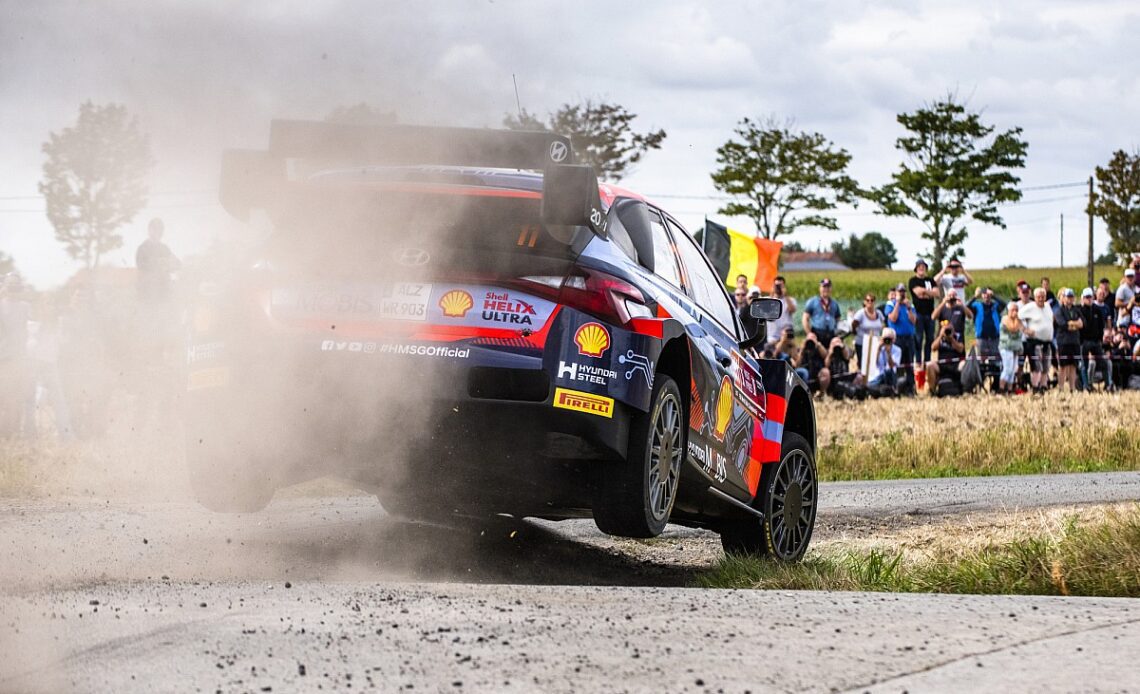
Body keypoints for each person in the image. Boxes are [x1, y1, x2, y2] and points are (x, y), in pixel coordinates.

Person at [0, 274, 32, 437]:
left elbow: (29, 329)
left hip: (20, 358)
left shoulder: (25, 306)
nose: (13, 290)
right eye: (10, 286)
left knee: (16, 398)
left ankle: (12, 433)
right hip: (3, 358)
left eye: (16, 286)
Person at [135, 217, 181, 303]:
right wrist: (159, 263)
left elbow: (177, 264)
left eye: (160, 229)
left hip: (164, 291)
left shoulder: (165, 249)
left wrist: (169, 265)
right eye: (155, 229)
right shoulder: (143, 248)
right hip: (147, 292)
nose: (157, 232)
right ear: (149, 230)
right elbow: (141, 266)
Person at [1019, 287, 1055, 393]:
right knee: (1036, 366)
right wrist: (1025, 329)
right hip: (1035, 342)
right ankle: (1035, 386)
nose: (1041, 298)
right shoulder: (1030, 307)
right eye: (1039, 297)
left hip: (1047, 342)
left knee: (1046, 366)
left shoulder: (1048, 306)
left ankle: (1043, 386)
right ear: (1035, 297)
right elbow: (1017, 317)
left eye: (1043, 296)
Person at [883, 283, 917, 393]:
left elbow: (914, 321)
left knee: (910, 364)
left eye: (903, 292)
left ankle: (910, 388)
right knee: (898, 364)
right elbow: (893, 318)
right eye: (900, 292)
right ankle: (897, 387)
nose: (902, 294)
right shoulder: (891, 304)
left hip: (909, 338)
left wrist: (908, 309)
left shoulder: (910, 306)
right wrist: (897, 303)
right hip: (897, 338)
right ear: (896, 293)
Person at [1078, 287, 1111, 391]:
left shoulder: (1097, 309)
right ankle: (1086, 385)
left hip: (1096, 342)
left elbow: (1101, 325)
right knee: (1085, 365)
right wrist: (1081, 341)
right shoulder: (1079, 310)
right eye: (1087, 297)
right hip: (1084, 342)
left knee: (1103, 363)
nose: (1089, 299)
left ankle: (1108, 384)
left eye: (1090, 297)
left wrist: (1100, 339)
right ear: (1083, 298)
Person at [908, 259, 939, 365]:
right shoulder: (913, 281)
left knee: (930, 338)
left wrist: (925, 292)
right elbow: (918, 293)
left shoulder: (930, 280)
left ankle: (927, 360)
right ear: (916, 269)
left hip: (930, 313)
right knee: (918, 338)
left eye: (923, 266)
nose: (922, 268)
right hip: (918, 313)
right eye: (919, 266)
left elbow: (937, 293)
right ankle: (918, 361)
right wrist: (929, 293)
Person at [966, 287, 1003, 374]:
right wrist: (975, 296)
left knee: (995, 363)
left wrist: (994, 296)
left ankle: (995, 383)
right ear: (982, 296)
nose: (986, 296)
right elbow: (967, 306)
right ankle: (981, 379)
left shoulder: (996, 306)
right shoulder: (977, 305)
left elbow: (1004, 304)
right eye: (984, 294)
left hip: (995, 339)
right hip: (981, 338)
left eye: (988, 294)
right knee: (981, 362)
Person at [926, 319, 966, 396]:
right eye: (946, 328)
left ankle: (963, 389)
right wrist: (940, 336)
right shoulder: (940, 338)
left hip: (955, 364)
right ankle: (932, 391)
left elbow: (961, 349)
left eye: (949, 328)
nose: (947, 330)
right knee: (929, 365)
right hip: (942, 364)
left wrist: (952, 339)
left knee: (964, 365)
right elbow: (933, 348)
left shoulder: (958, 336)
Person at [1053, 288, 1082, 391]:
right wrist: (1075, 323)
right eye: (1067, 297)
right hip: (1063, 341)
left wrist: (1071, 323)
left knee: (1073, 366)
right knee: (1063, 366)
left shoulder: (1077, 309)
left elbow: (1082, 323)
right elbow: (1063, 324)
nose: (1070, 299)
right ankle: (1060, 388)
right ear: (1063, 298)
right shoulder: (1059, 310)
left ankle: (1072, 388)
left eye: (1071, 297)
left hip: (1075, 341)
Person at [802, 278, 840, 347]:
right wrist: (809, 333)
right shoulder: (812, 301)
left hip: (830, 334)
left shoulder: (834, 303)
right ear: (820, 288)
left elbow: (838, 319)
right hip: (817, 333)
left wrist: (838, 332)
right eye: (824, 287)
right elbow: (805, 319)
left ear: (831, 289)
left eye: (828, 287)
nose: (826, 289)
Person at [850, 293, 884, 367]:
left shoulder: (879, 313)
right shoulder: (860, 313)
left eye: (872, 300)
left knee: (874, 364)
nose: (870, 302)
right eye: (868, 300)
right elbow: (854, 324)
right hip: (862, 343)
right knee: (863, 365)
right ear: (865, 302)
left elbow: (883, 324)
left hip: (875, 343)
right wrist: (855, 332)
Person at [998, 302, 1025, 393]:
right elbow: (1013, 329)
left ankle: (1010, 389)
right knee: (1007, 369)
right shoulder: (1005, 319)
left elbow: (1022, 330)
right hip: (1006, 347)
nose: (1015, 312)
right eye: (1013, 310)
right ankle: (1001, 388)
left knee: (1013, 369)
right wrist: (1018, 321)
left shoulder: (1017, 321)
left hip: (1015, 348)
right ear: (1008, 311)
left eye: (1016, 310)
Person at [795, 331, 830, 395]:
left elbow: (825, 356)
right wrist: (802, 349)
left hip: (818, 372)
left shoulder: (819, 348)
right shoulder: (803, 349)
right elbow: (796, 365)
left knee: (826, 372)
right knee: (803, 372)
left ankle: (822, 393)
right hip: (805, 374)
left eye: (813, 338)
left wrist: (818, 345)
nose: (810, 342)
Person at [869, 327, 902, 395]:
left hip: (890, 376)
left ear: (894, 340)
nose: (887, 341)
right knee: (870, 386)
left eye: (889, 339)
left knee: (888, 371)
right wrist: (878, 349)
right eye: (885, 338)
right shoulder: (876, 347)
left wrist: (888, 353)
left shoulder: (897, 350)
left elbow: (892, 366)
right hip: (878, 376)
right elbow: (873, 364)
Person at [766, 276, 796, 345]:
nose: (778, 288)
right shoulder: (768, 299)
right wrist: (772, 294)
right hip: (771, 337)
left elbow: (792, 310)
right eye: (776, 286)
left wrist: (785, 295)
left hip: (786, 336)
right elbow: (766, 311)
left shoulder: (790, 300)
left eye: (780, 286)